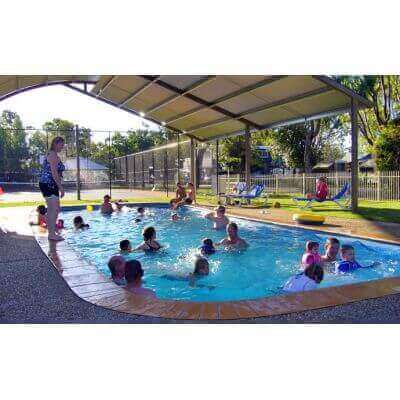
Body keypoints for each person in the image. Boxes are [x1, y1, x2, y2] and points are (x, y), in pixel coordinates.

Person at [38, 136, 65, 241]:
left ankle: (51, 232)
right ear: (55, 144)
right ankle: (52, 234)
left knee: (54, 209)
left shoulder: (52, 154)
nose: (62, 147)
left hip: (48, 184)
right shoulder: (53, 155)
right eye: (61, 144)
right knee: (54, 209)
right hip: (49, 184)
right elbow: (54, 173)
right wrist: (61, 187)